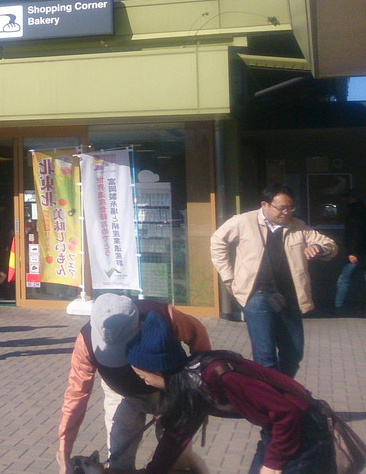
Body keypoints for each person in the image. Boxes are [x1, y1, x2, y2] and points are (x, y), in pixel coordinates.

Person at [118, 312, 335, 474]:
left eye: (142, 375)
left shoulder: (221, 377)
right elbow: (176, 437)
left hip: (304, 431)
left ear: (158, 369)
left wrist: (273, 464)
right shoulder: (190, 385)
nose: (143, 381)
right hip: (278, 431)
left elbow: (287, 413)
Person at [56, 294, 211, 474]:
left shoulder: (164, 316)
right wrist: (64, 451)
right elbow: (76, 394)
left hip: (168, 389)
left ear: (139, 325)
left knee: (175, 458)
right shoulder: (86, 341)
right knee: (119, 460)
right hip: (121, 393)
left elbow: (198, 335)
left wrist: (197, 386)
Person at [210, 183, 337, 377]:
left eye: (290, 207)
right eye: (282, 208)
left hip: (289, 296)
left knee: (293, 353)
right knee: (265, 357)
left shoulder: (297, 226)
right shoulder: (243, 221)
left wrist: (318, 248)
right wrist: (228, 277)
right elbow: (217, 241)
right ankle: (272, 394)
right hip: (256, 295)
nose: (286, 212)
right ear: (265, 204)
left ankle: (280, 387)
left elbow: (329, 244)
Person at [335, 189, 366, 314]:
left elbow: (354, 234)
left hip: (357, 252)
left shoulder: (354, 213)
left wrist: (352, 252)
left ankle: (338, 307)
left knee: (344, 280)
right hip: (362, 250)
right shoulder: (361, 211)